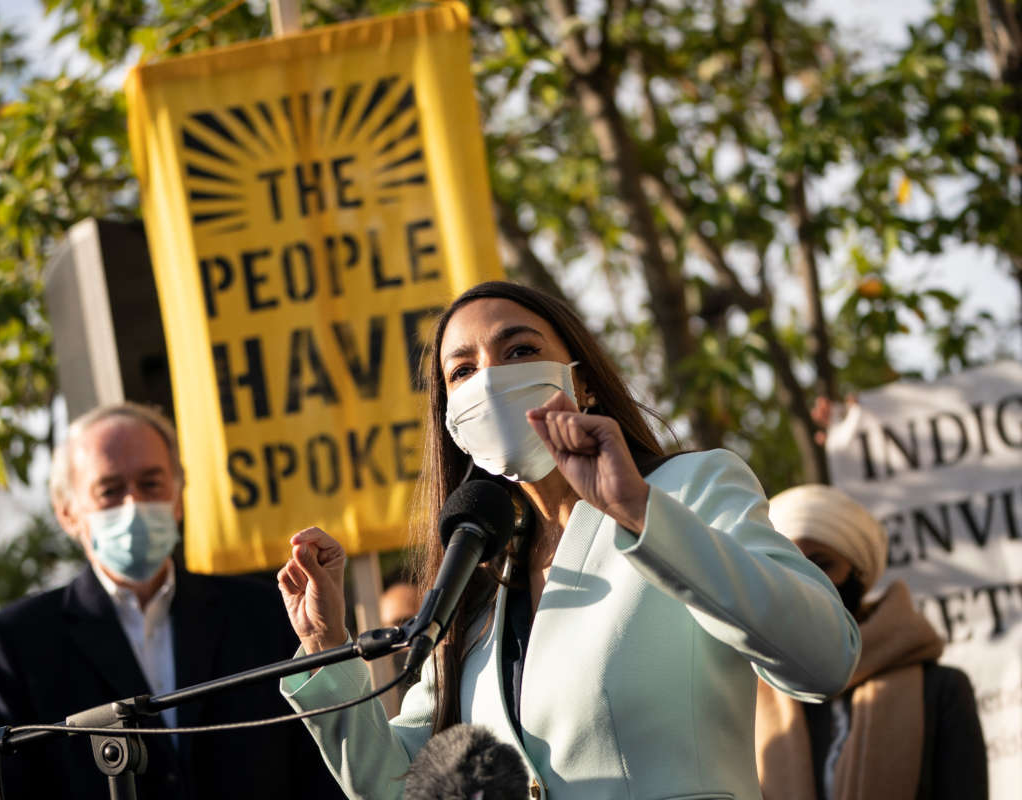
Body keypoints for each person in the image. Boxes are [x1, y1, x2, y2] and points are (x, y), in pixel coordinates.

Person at [276, 281, 861, 800]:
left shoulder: (689, 488)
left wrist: (638, 512)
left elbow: (824, 656)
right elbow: (401, 786)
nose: (492, 379)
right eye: (463, 371)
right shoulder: (478, 573)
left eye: (520, 351)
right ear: (453, 420)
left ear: (580, 382)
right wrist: (327, 644)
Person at [0, 402, 343, 800]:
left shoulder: (264, 614)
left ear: (178, 498)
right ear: (68, 514)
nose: (134, 504)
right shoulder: (13, 646)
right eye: (109, 490)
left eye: (151, 483)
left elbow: (319, 766)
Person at [758, 483, 988, 800]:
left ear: (858, 573)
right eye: (786, 566)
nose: (806, 582)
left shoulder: (940, 690)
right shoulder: (747, 698)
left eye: (822, 564)